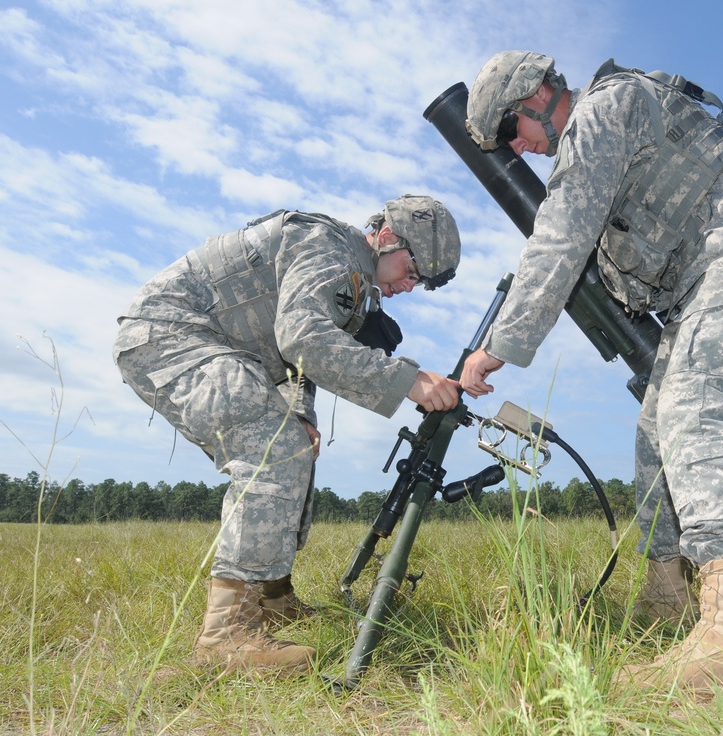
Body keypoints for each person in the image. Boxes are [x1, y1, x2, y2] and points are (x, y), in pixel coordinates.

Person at [461, 51, 723, 689]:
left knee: (694, 410)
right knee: (655, 430)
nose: (522, 147)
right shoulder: (599, 131)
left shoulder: (603, 110)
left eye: (515, 130)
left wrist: (497, 346)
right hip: (700, 282)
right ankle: (667, 595)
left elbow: (559, 239)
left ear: (538, 95)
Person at [112, 195, 462, 674]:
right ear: (387, 237)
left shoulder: (355, 281)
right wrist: (412, 381)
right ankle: (226, 634)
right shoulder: (330, 246)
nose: (410, 283)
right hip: (172, 335)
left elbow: (294, 358)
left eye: (420, 281)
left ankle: (271, 597)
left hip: (227, 352)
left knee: (295, 446)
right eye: (413, 268)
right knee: (273, 449)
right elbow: (303, 337)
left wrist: (301, 413)